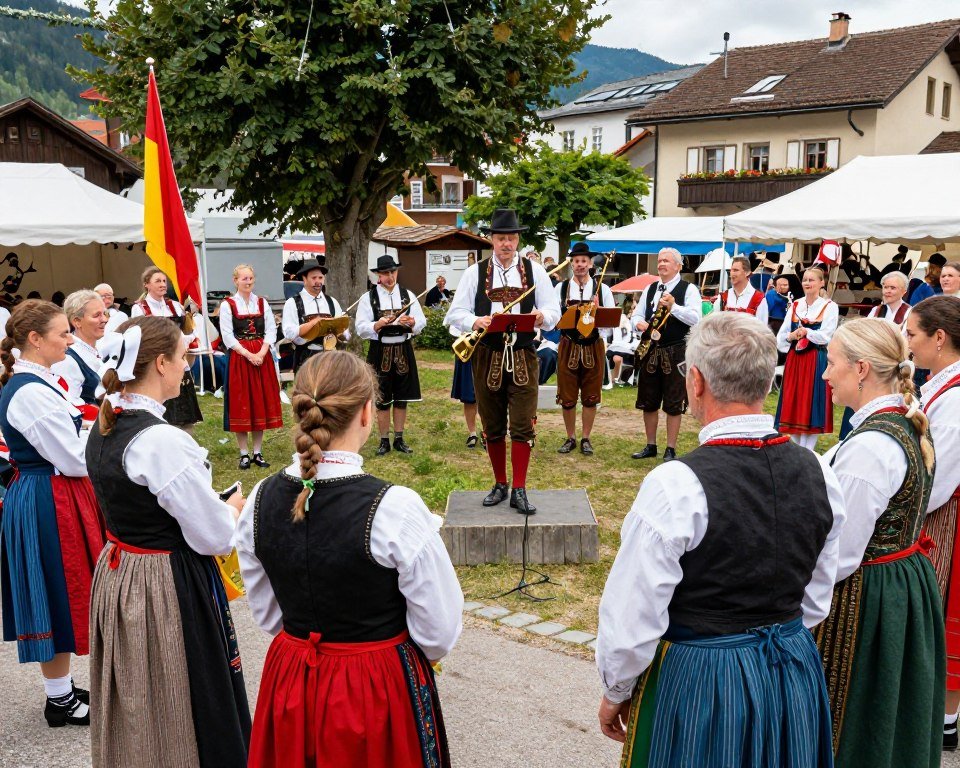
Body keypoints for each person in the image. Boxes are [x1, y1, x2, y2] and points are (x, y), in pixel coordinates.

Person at [596, 312, 844, 767]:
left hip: (703, 679)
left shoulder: (676, 484)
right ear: (769, 381)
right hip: (792, 668)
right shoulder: (821, 472)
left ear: (696, 382)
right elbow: (817, 592)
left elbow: (634, 612)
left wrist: (617, 689)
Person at [236, 351, 463, 767]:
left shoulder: (259, 498)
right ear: (366, 413)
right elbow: (438, 630)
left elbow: (268, 616)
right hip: (374, 686)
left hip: (292, 678)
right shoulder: (395, 507)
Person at [87, 317, 251, 766]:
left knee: (142, 692)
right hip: (165, 582)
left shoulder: (106, 422)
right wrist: (232, 510)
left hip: (123, 572)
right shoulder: (160, 441)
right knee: (187, 694)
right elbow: (214, 536)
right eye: (183, 358)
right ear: (160, 363)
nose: (187, 367)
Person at [818, 317, 941, 767]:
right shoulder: (904, 423)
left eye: (832, 363)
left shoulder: (871, 446)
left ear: (862, 369)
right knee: (890, 713)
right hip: (903, 584)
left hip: (868, 597)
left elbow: (840, 555)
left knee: (855, 715)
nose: (825, 374)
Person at [0, 300, 105, 727]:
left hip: (55, 492)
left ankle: (61, 693)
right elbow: (74, 457)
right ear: (34, 339)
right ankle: (58, 699)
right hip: (48, 498)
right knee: (54, 590)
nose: (70, 339)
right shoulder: (28, 392)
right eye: (63, 333)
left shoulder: (40, 381)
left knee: (64, 589)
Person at [445, 208, 561, 514]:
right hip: (486, 356)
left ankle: (519, 489)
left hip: (523, 355)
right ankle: (500, 483)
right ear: (492, 240)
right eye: (500, 238)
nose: (506, 244)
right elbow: (454, 314)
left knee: (523, 424)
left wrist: (541, 316)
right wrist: (475, 321)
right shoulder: (475, 273)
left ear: (518, 239)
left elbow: (554, 311)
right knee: (492, 423)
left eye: (511, 238)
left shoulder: (535, 272)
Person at [905, 296, 960, 749]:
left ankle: (943, 719)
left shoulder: (955, 397)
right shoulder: (941, 385)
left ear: (939, 338)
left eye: (912, 335)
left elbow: (937, 479)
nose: (908, 344)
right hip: (939, 512)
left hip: (946, 519)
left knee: (939, 612)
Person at [630, 247, 702, 462]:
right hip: (651, 351)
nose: (661, 264)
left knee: (673, 402)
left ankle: (670, 448)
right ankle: (650, 444)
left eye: (666, 261)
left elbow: (696, 319)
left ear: (678, 266)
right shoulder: (650, 288)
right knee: (648, 400)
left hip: (675, 350)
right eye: (660, 261)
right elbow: (637, 314)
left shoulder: (688, 289)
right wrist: (638, 323)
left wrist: (674, 307)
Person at [356, 255, 426, 456]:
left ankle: (400, 438)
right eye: (386, 273)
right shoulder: (368, 298)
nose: (390, 276)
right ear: (378, 275)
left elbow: (421, 322)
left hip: (403, 349)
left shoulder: (407, 295)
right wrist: (376, 325)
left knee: (401, 397)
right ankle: (384, 440)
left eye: (393, 272)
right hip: (380, 350)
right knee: (382, 398)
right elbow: (360, 327)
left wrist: (412, 324)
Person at [219, 264, 283, 470]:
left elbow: (271, 330)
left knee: (259, 401)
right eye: (244, 279)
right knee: (241, 402)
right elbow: (227, 335)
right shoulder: (228, 305)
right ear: (235, 280)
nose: (248, 282)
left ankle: (257, 452)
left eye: (250, 278)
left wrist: (262, 353)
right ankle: (244, 454)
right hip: (240, 358)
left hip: (261, 356)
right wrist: (248, 354)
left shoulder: (262, 303)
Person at [555, 242, 616, 456]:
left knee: (591, 395)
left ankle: (586, 438)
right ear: (572, 264)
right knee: (567, 395)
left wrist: (598, 312)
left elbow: (610, 325)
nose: (580, 265)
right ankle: (570, 437)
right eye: (576, 261)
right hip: (568, 346)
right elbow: (554, 319)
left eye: (584, 261)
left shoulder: (603, 288)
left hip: (593, 346)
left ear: (590, 264)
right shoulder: (561, 288)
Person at [130, 266, 203, 430]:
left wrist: (184, 339)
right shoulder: (139, 308)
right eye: (158, 281)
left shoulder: (175, 306)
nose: (163, 284)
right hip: (156, 363)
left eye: (164, 281)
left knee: (184, 412)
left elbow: (190, 330)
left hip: (177, 361)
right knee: (161, 408)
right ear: (147, 284)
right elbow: (139, 336)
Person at [774, 266, 838, 451]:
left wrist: (806, 332)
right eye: (805, 280)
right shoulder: (795, 305)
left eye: (811, 280)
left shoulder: (829, 307)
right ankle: (796, 448)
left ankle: (808, 450)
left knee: (812, 402)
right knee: (794, 401)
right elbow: (782, 336)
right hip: (795, 359)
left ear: (821, 283)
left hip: (815, 358)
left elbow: (826, 336)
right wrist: (792, 336)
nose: (807, 283)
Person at [281, 258, 348, 373]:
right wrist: (313, 323)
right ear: (304, 278)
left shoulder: (332, 302)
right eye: (314, 278)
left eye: (320, 278)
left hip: (330, 359)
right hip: (305, 358)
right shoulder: (293, 303)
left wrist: (342, 331)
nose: (318, 281)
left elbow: (346, 334)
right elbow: (289, 333)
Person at [52, 290, 108, 407]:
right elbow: (69, 408)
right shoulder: (67, 359)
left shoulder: (100, 348)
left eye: (104, 313)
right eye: (97, 315)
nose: (104, 319)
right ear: (77, 322)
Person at [445, 318, 481, 448]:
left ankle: (489, 433)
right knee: (469, 395)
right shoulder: (465, 298)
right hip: (468, 345)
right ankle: (472, 433)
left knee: (491, 394)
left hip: (493, 347)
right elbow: (454, 322)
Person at [712, 255, 769, 325]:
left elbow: (762, 329)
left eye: (736, 270)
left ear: (747, 273)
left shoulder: (759, 299)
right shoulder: (722, 297)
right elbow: (714, 325)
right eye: (731, 270)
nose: (732, 274)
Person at [607, 300, 638, 385]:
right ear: (630, 308)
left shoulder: (636, 319)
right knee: (617, 358)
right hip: (621, 346)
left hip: (633, 346)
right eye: (635, 307)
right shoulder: (622, 319)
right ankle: (614, 379)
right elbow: (622, 337)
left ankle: (632, 379)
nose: (637, 309)